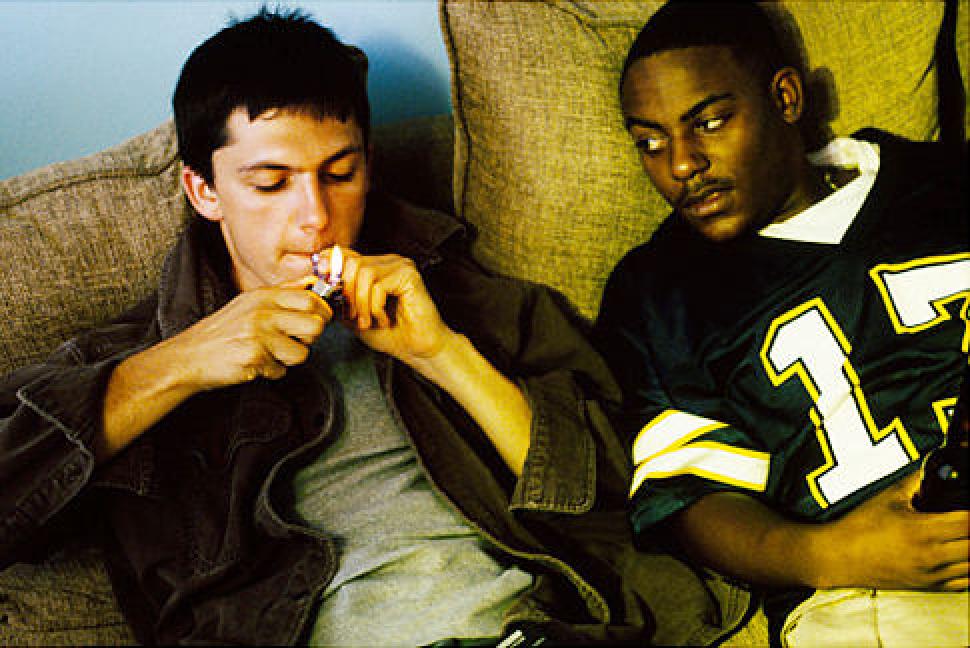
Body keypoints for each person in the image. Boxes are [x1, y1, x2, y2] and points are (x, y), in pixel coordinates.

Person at [0, 8, 674, 646]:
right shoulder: (135, 358)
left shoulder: (458, 294)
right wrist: (181, 363)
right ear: (204, 191)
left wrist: (444, 356)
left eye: (340, 174)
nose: (316, 217)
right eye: (271, 184)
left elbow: (623, 501)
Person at [594, 1, 969, 646]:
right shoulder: (660, 290)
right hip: (880, 591)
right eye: (650, 143)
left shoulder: (943, 180)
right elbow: (688, 498)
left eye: (708, 123)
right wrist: (835, 555)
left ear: (786, 98)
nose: (680, 165)